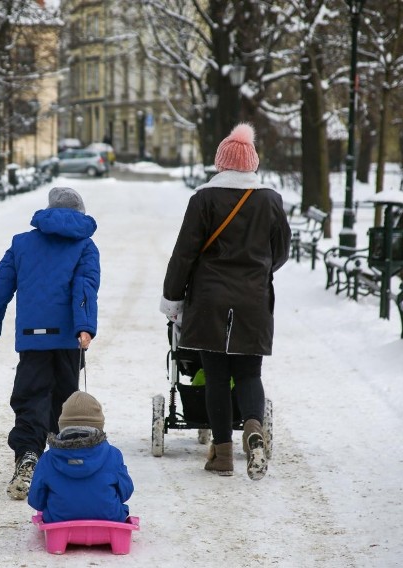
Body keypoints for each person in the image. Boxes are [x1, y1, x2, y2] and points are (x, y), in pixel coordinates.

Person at [160, 123, 291, 480]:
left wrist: (172, 298)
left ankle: (222, 455)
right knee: (249, 373)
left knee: (216, 375)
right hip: (253, 301)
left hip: (209, 301)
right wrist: (257, 271)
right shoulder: (270, 200)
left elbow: (183, 255)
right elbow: (280, 253)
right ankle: (252, 428)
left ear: (221, 164)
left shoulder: (203, 199)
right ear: (252, 164)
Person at [0, 187, 100, 500]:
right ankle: (62, 465)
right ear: (80, 213)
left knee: (30, 397)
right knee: (64, 402)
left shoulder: (22, 243)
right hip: (67, 340)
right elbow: (84, 288)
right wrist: (85, 327)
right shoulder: (85, 246)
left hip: (33, 338)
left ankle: (27, 454)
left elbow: (0, 286)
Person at [28, 391, 133, 523]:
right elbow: (126, 492)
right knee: (122, 509)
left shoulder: (48, 459)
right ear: (99, 426)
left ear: (62, 425)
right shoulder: (113, 455)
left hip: (58, 520)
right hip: (110, 518)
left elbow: (36, 500)